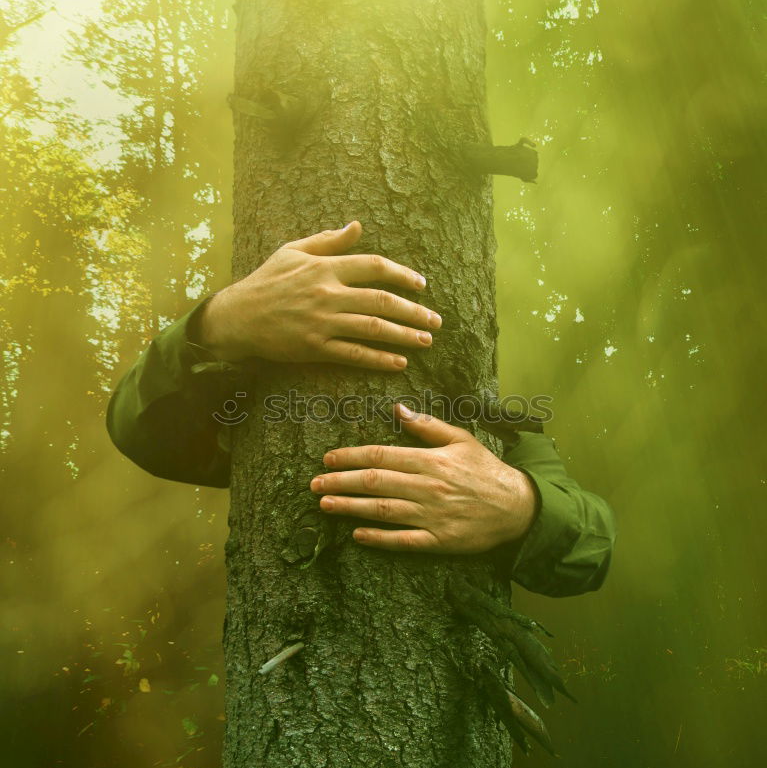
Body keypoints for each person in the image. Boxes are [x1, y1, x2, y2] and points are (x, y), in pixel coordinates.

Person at [107, 221, 616, 597]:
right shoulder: (251, 377)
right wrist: (217, 324)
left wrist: (520, 505)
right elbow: (138, 431)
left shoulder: (504, 427)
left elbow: (591, 550)